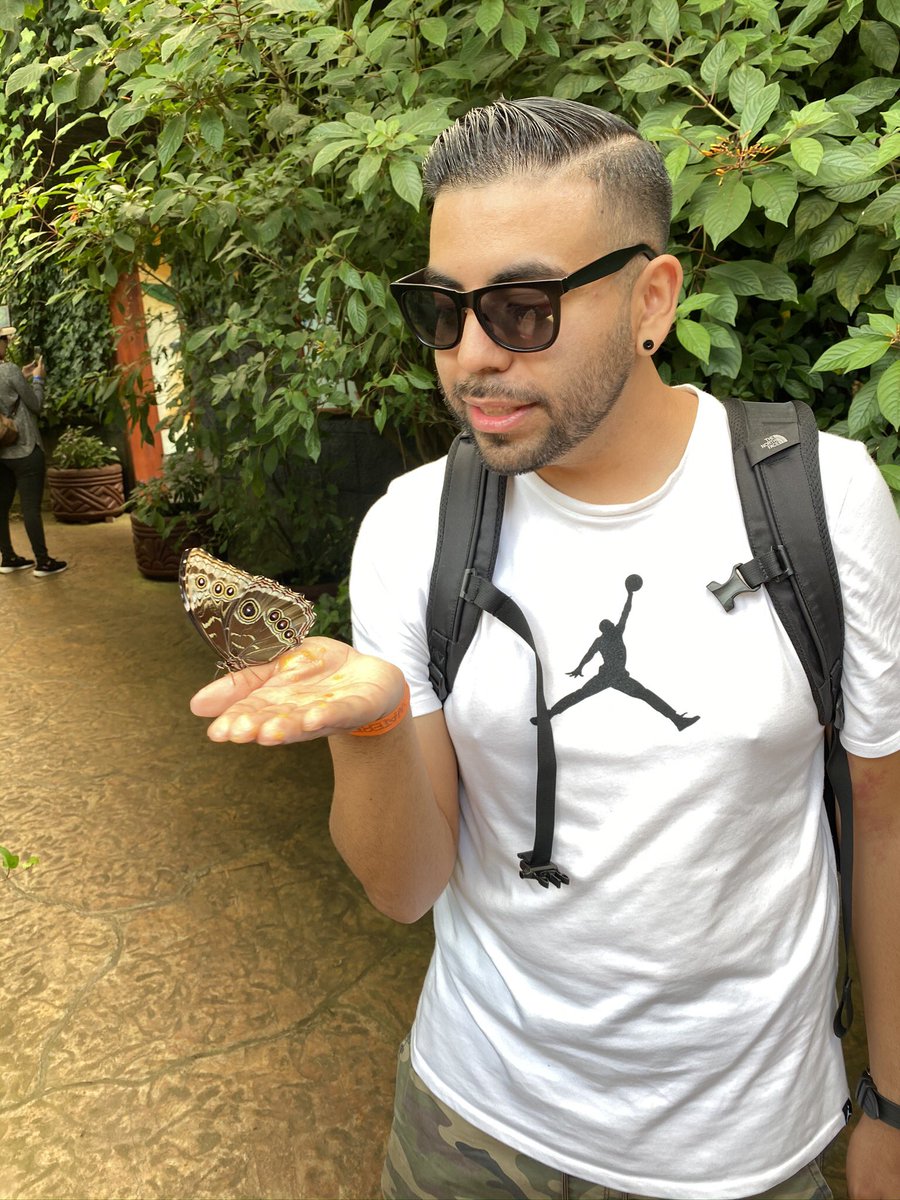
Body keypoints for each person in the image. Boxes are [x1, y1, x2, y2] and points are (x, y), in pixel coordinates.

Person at [190, 98, 900, 1200]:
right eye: (443, 310)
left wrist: (891, 1103)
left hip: (747, 1147)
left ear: (651, 298)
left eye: (523, 308)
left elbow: (885, 823)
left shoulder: (820, 497)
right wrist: (375, 728)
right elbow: (404, 889)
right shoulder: (414, 528)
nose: (472, 357)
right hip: (472, 1123)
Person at [0, 326, 67, 576]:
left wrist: (23, 375)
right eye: (3, 339)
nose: (7, 343)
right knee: (30, 508)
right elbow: (36, 405)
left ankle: (8, 557)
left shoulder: (11, 371)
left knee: (1, 507)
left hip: (1, 453)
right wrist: (38, 379)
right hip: (26, 449)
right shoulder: (8, 370)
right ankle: (43, 562)